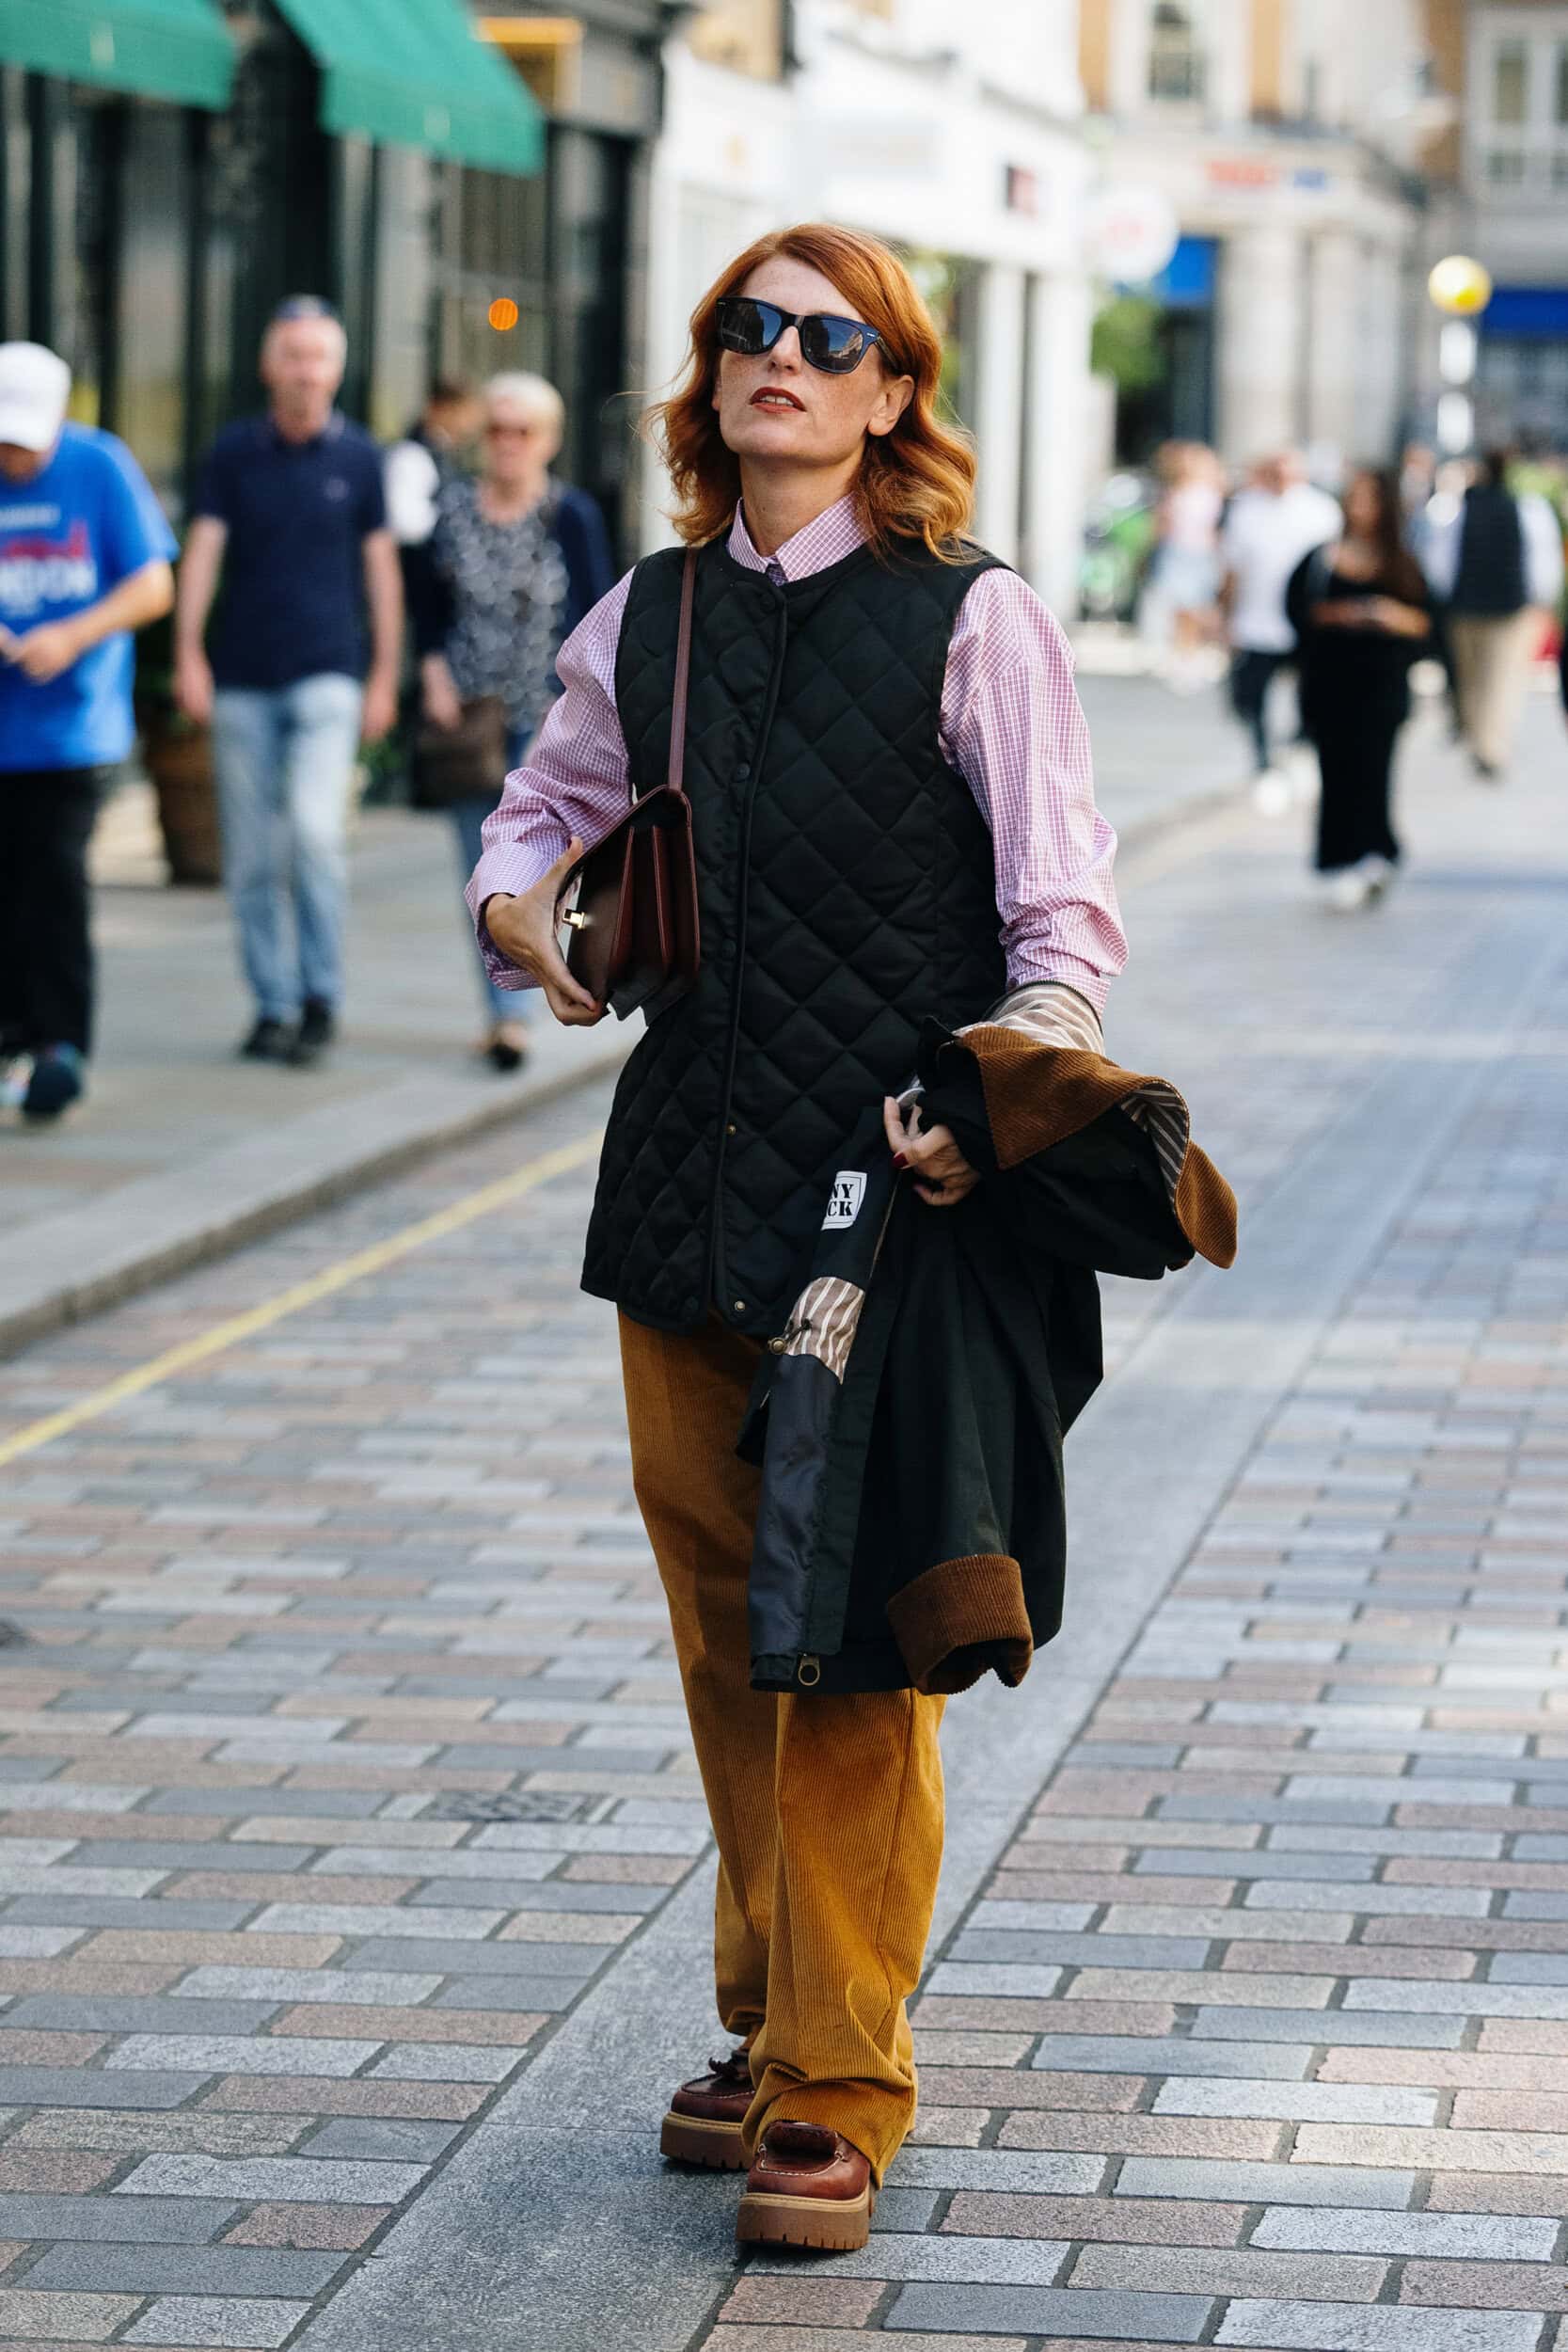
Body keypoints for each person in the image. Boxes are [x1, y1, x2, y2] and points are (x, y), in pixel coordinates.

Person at [466, 223, 1125, 2250]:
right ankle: (766, 2020)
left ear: (889, 391)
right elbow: (539, 808)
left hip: (887, 1200)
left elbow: (1061, 920)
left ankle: (837, 2080)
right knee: (718, 1627)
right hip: (681, 1179)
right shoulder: (648, 610)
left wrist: (1003, 1093)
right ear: (711, 374)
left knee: (843, 1637)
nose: (782, 358)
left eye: (830, 339)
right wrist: (523, 914)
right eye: (749, 327)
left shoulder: (974, 619)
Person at [174, 296, 402, 1065]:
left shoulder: (360, 457)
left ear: (337, 369)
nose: (306, 371)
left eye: (319, 357)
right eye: (293, 356)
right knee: (247, 857)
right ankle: (271, 1004)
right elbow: (203, 553)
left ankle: (320, 997)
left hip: (328, 674)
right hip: (242, 678)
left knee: (312, 836)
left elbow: (381, 572)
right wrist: (189, 653)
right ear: (269, 366)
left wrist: (385, 675)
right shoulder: (233, 452)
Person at [404, 371, 613, 1071]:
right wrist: (432, 676)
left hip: (547, 719)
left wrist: (576, 706)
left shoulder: (570, 514)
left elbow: (598, 616)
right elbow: (427, 609)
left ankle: (519, 1004)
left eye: (522, 431)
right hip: (469, 716)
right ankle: (504, 1011)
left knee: (532, 865)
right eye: (495, 429)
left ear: (548, 440)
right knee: (480, 870)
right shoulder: (453, 511)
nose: (507, 443)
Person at [0, 342, 175, 1119]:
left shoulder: (99, 465)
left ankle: (57, 1047)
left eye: (26, 441)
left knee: (53, 890)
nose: (15, 456)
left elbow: (152, 584)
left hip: (69, 730)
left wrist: (72, 635)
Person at [1286, 466, 1433, 911]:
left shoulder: (1403, 563)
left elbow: (1428, 623)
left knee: (1374, 771)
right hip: (1330, 684)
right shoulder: (1320, 559)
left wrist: (1387, 615)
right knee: (1335, 773)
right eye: (1354, 497)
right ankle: (1339, 858)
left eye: (1369, 499)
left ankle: (1376, 852)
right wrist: (1337, 615)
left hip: (1381, 687)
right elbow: (1297, 613)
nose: (1360, 508)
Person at [1421, 448, 1563, 780]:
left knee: (1473, 678)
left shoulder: (1461, 507)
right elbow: (1543, 558)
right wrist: (1542, 598)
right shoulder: (1526, 507)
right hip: (1508, 607)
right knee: (1501, 680)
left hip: (1468, 606)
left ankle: (1484, 743)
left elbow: (1440, 559)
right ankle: (1489, 744)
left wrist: (1445, 597)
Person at [1218, 450, 1340, 805]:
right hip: (1255, 621)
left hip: (1306, 623)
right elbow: (1232, 569)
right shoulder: (1247, 511)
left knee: (1310, 695)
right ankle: (1262, 758)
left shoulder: (1321, 510)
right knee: (1250, 697)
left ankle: (1302, 748)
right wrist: (1225, 617)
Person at [1141, 439, 1223, 689]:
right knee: (1179, 609)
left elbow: (1215, 529)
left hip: (1199, 555)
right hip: (1176, 554)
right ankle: (1181, 655)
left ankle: (1190, 655)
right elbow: (1160, 527)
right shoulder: (1173, 492)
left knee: (1195, 610)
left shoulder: (1211, 493)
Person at [384, 376, 481, 549]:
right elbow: (408, 526)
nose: (469, 425)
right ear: (439, 409)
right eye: (462, 413)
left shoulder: (441, 457)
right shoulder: (411, 457)